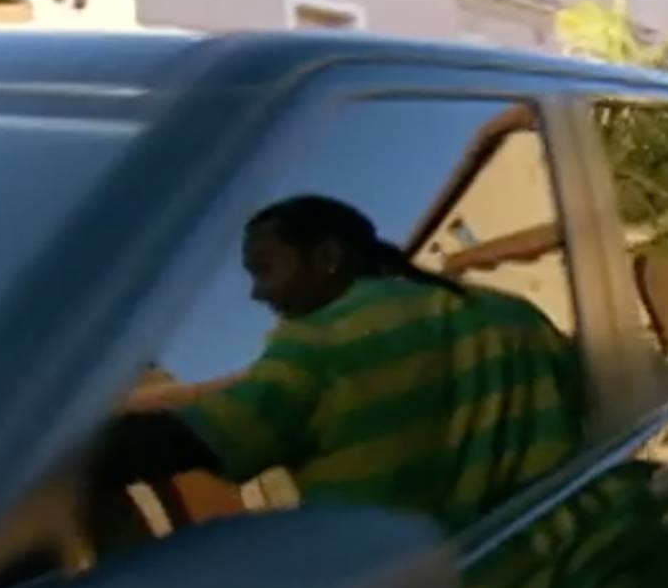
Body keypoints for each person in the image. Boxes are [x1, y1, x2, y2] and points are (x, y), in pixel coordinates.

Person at [91, 194, 581, 534]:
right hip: (593, 581)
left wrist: (64, 454)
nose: (257, 293)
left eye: (265, 270)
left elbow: (194, 438)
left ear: (326, 256)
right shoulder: (510, 311)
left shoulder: (320, 340)